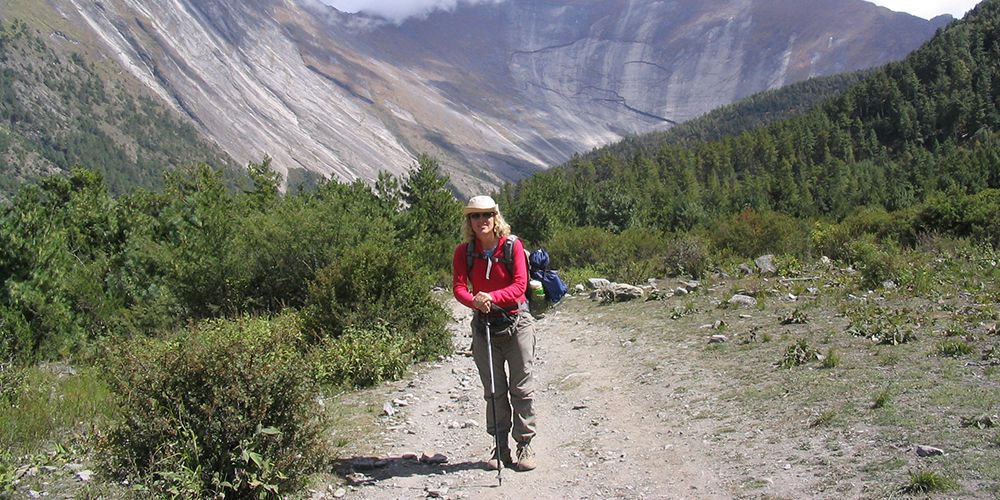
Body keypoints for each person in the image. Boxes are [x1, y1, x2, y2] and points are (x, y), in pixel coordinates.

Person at [452, 195, 537, 472]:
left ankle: (524, 445)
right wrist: (474, 300)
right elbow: (458, 287)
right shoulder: (463, 252)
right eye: (475, 216)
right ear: (469, 221)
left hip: (516, 322)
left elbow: (520, 285)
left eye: (486, 215)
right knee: (493, 391)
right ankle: (500, 448)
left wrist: (491, 296)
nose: (481, 220)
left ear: (495, 217)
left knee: (521, 388)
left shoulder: (512, 246)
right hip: (484, 325)